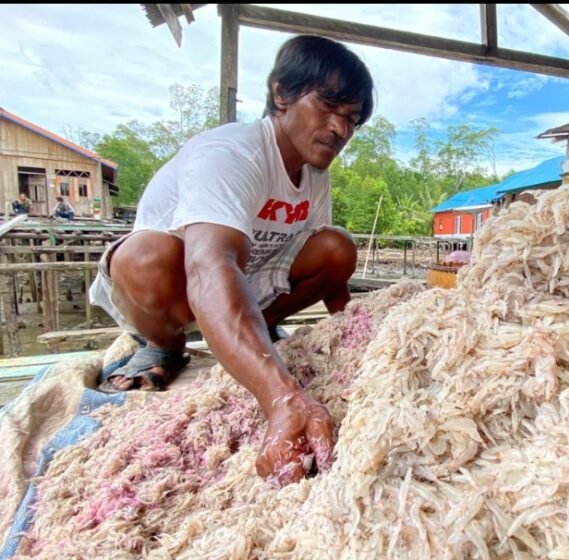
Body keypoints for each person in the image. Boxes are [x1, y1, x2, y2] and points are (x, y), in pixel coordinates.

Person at [88, 35, 374, 485]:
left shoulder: (315, 178)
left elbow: (326, 270)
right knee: (147, 258)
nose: (341, 129)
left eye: (352, 119)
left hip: (247, 286)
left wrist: (361, 331)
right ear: (282, 93)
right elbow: (209, 266)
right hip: (177, 288)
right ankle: (163, 345)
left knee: (337, 246)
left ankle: (250, 335)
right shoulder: (233, 154)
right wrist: (281, 397)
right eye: (330, 107)